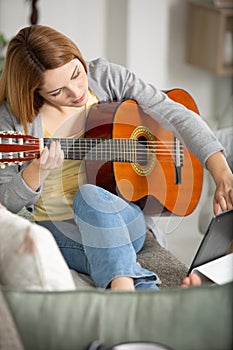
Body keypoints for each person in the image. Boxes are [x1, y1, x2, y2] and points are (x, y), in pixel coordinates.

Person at [0, 25, 232, 291]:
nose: (75, 92)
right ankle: (140, 295)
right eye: (56, 92)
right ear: (34, 91)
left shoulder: (106, 77)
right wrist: (34, 174)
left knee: (90, 196)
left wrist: (220, 170)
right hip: (63, 231)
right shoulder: (13, 121)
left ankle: (123, 294)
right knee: (100, 239)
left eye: (76, 74)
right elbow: (4, 201)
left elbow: (174, 112)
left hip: (124, 218)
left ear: (77, 56)